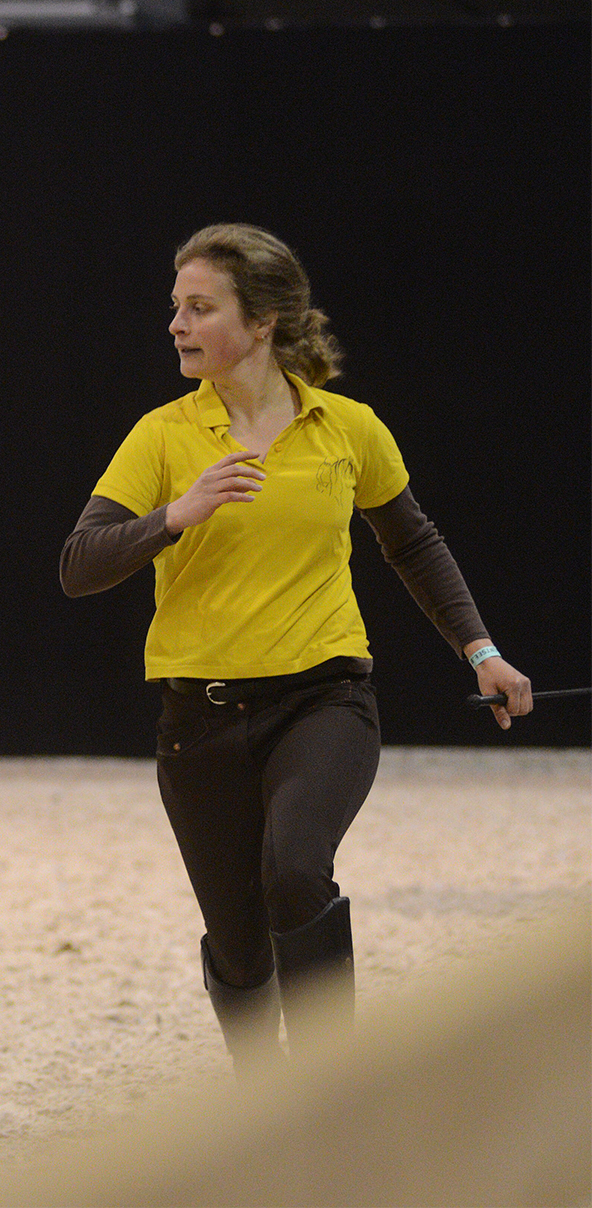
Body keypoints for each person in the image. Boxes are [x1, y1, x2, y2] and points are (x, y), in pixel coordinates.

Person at [60, 223, 531, 1073]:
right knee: (240, 949)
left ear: (267, 320)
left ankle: (326, 1097)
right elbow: (78, 565)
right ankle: (264, 1094)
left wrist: (481, 650)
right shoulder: (164, 436)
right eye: (176, 307)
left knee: (296, 868)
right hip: (197, 721)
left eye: (200, 308)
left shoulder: (347, 428)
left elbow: (414, 545)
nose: (176, 323)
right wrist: (175, 515)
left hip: (324, 699)